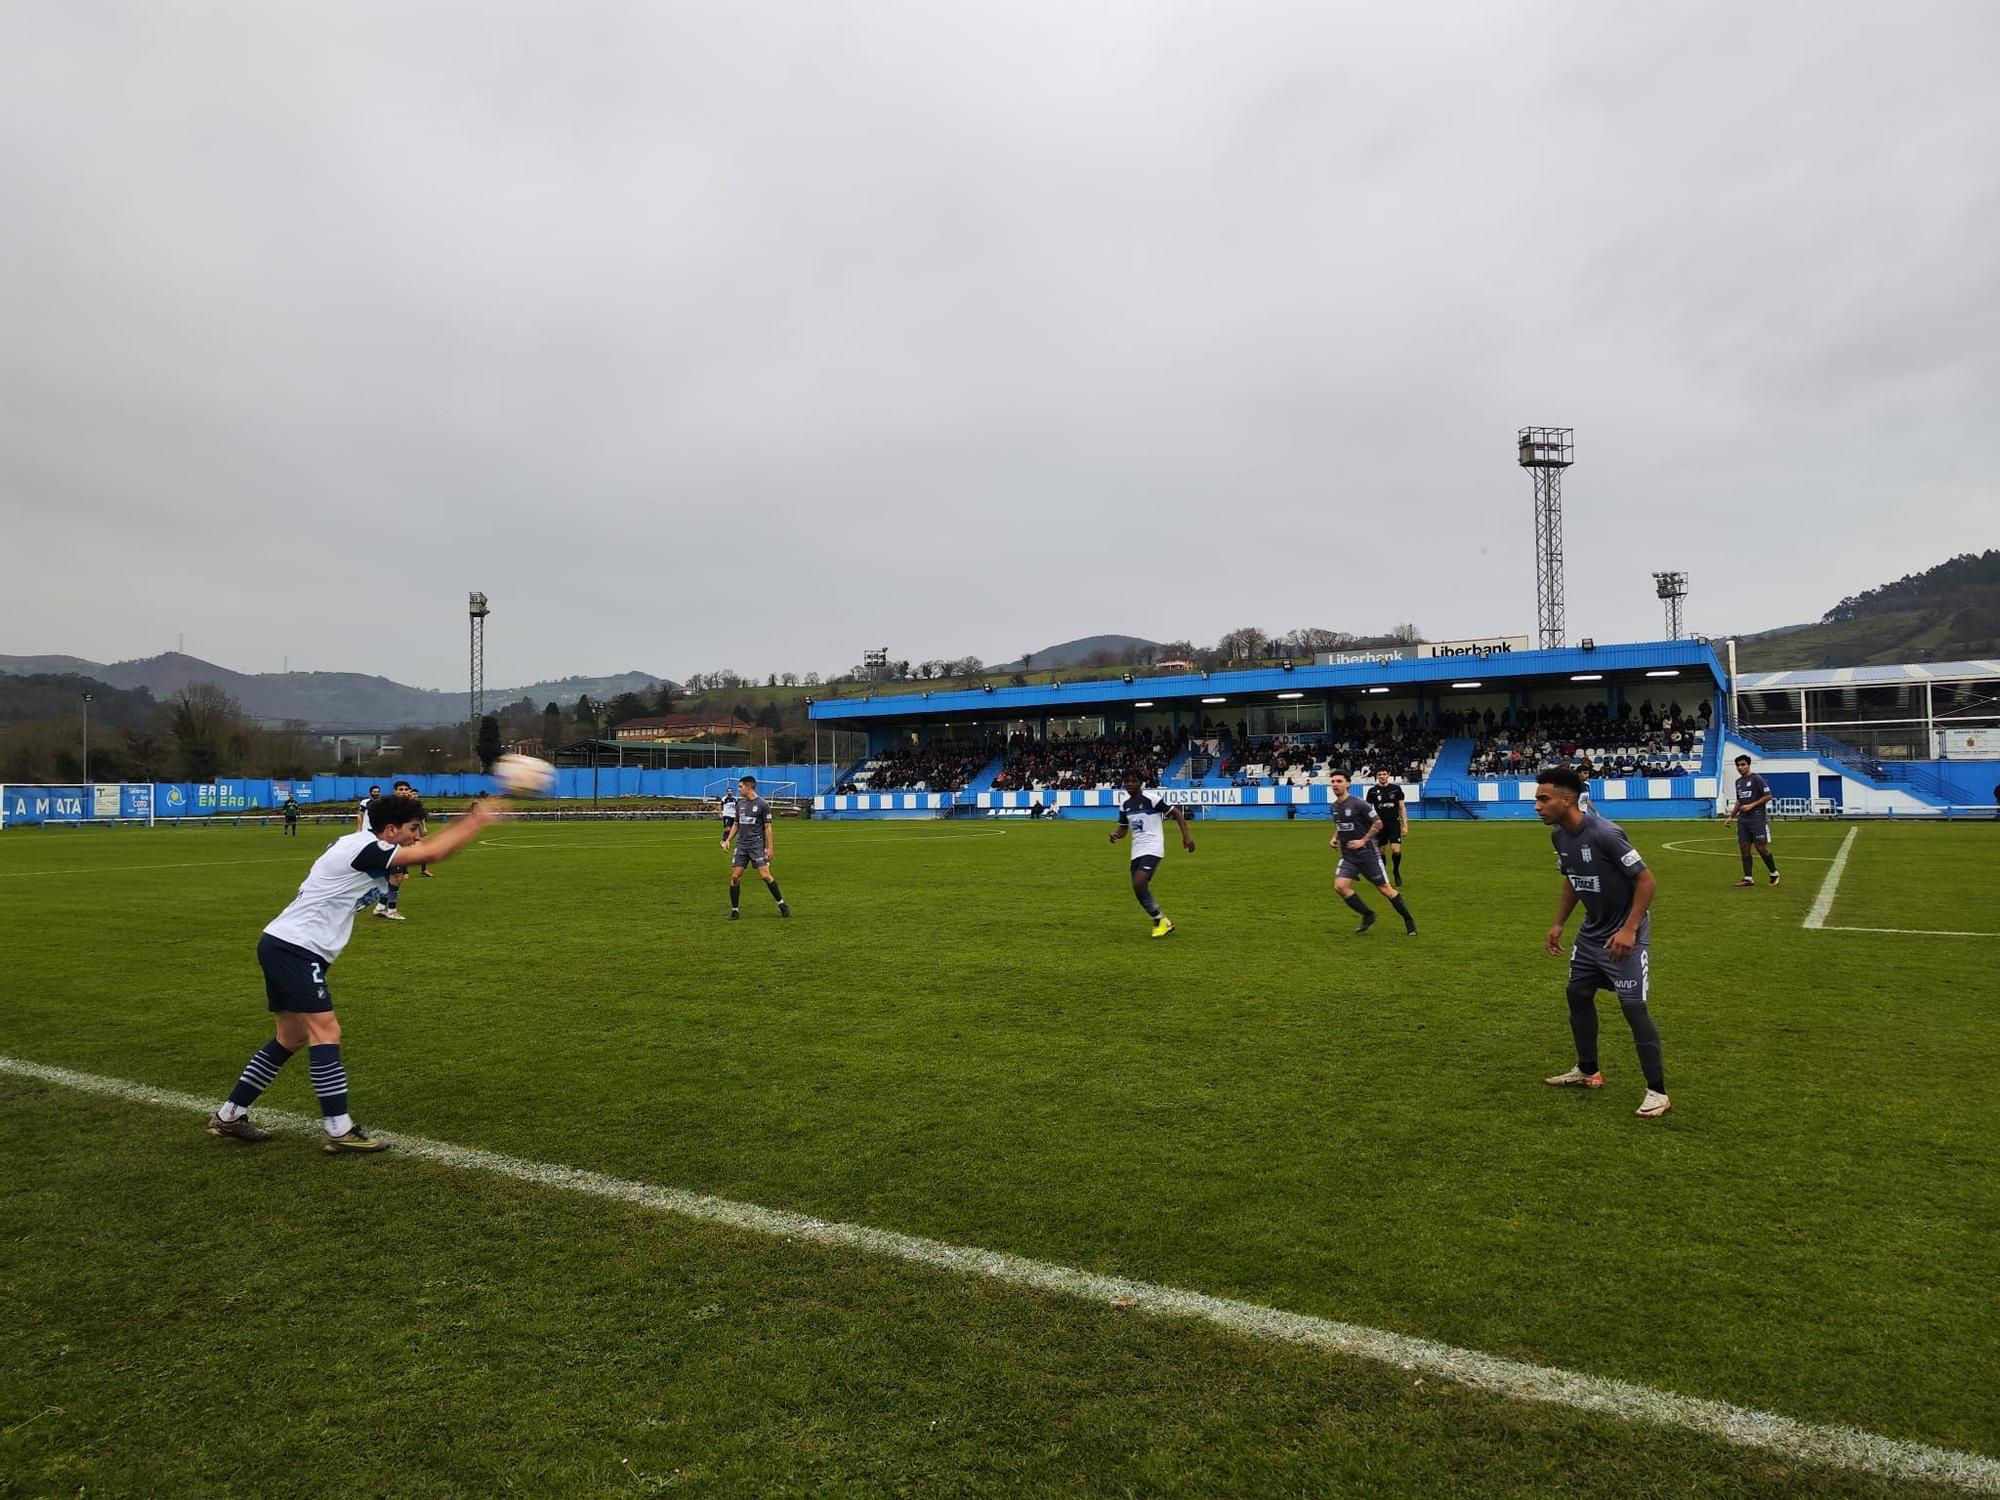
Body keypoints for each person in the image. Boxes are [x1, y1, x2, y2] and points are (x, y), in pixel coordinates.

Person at [207, 790, 506, 1152]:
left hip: (287, 945)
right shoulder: (363, 847)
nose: (418, 835)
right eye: (413, 828)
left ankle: (230, 1115)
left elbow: (404, 863)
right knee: (326, 1030)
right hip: (295, 949)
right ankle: (339, 1130)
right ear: (391, 829)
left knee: (291, 1038)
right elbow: (434, 853)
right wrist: (476, 819)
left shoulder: (367, 848)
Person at [1535, 766, 1671, 1119]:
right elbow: (1572, 879)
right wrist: (1558, 923)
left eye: (1543, 799)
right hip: (1591, 933)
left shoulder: (1606, 833)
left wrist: (1628, 929)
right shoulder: (1559, 838)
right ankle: (1587, 1070)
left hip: (1624, 936)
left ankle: (1657, 1092)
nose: (1537, 806)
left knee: (1633, 1009)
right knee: (1577, 994)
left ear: (1567, 800)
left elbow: (1646, 881)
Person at [1327, 772, 1416, 936]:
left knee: (1386, 890)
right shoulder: (1334, 807)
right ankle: (1368, 915)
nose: (1335, 784)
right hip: (1349, 857)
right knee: (1340, 886)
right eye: (1332, 781)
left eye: (1339, 781)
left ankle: (1409, 921)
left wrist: (1362, 840)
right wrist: (1334, 838)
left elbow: (1378, 823)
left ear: (1347, 783)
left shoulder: (1359, 804)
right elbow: (1341, 825)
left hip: (1368, 855)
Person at [1108, 769, 1194, 938]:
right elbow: (1123, 829)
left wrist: (1186, 837)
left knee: (1139, 883)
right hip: (1137, 850)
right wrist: (1116, 835)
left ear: (1140, 783)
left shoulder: (1151, 799)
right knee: (1138, 887)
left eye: (1133, 781)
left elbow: (1177, 814)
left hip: (1153, 847)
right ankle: (1161, 920)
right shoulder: (1125, 805)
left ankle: (1160, 920)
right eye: (1126, 781)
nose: (1129, 784)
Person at [723, 774, 788, 918]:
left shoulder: (763, 804)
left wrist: (770, 848)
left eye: (740, 787)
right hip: (741, 846)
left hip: (757, 846)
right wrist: (728, 840)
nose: (738, 789)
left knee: (765, 876)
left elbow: (767, 828)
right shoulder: (740, 804)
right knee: (735, 877)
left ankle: (781, 903)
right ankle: (735, 910)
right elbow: (736, 824)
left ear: (748, 787)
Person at [1720, 754, 1779, 887]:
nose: (1740, 767)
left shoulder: (1757, 779)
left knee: (1761, 847)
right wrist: (1731, 816)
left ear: (1748, 765)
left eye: (1743, 764)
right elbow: (1739, 801)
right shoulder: (1738, 782)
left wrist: (1751, 805)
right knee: (1744, 847)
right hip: (1743, 820)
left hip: (1757, 818)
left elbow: (1768, 796)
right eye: (1738, 765)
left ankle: (1774, 873)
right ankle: (1748, 878)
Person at [1365, 768, 1409, 882]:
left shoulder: (1396, 789)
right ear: (1376, 776)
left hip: (1394, 823)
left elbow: (1401, 808)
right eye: (1379, 774)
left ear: (1388, 775)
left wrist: (1405, 825)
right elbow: (1367, 809)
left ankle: (1396, 871)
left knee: (1396, 850)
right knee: (1381, 851)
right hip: (1379, 825)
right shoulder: (1372, 791)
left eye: (1384, 774)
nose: (1382, 776)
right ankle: (1384, 874)